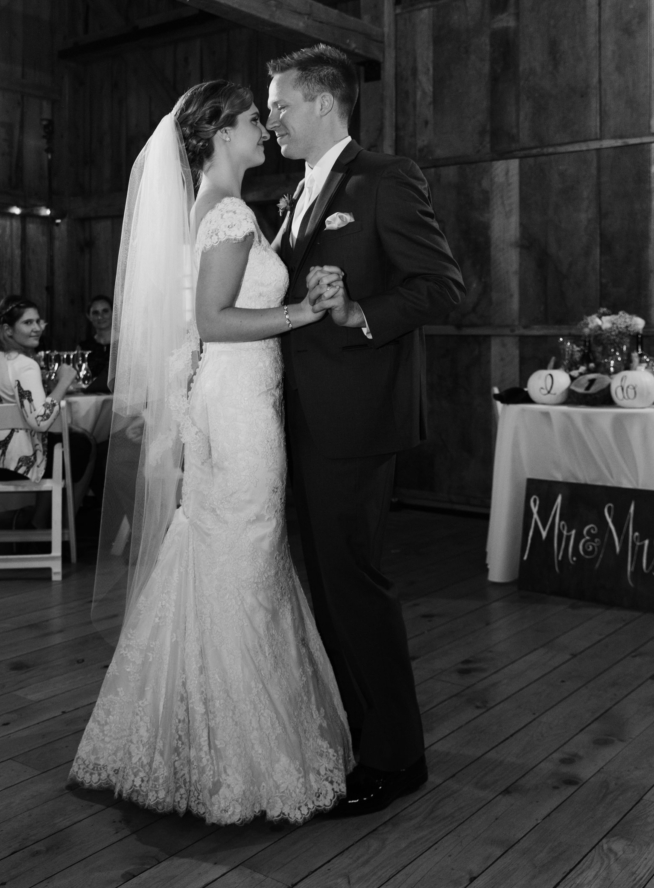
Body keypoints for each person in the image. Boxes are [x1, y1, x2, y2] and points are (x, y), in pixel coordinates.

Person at [69, 80, 354, 824]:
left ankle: (191, 735)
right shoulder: (226, 213)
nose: (264, 129)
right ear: (220, 133)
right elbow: (215, 321)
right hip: (235, 408)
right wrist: (303, 309)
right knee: (247, 553)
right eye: (254, 120)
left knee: (227, 553)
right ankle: (237, 753)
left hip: (233, 401)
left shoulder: (213, 209)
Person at [266, 44, 466, 816]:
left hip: (354, 418)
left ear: (323, 103)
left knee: (354, 585)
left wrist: (358, 315)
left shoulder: (383, 179)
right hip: (300, 420)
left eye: (281, 104)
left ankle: (395, 757)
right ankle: (358, 734)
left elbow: (441, 285)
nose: (274, 117)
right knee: (326, 587)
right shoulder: (294, 192)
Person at [0, 296, 91, 524]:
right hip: (16, 464)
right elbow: (41, 421)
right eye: (28, 323)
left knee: (69, 443)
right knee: (84, 445)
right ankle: (50, 523)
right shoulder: (24, 365)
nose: (37, 328)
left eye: (38, 321)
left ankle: (36, 520)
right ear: (7, 330)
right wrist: (64, 382)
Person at [78, 294, 113, 391]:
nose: (100, 317)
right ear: (88, 316)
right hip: (90, 399)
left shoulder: (124, 345)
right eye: (95, 313)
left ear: (113, 312)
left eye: (105, 311)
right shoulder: (83, 347)